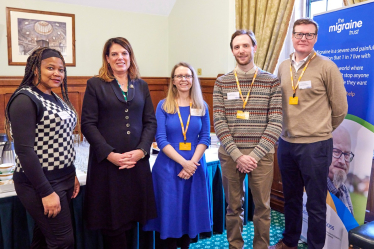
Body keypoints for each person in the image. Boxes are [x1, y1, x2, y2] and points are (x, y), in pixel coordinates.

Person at [270, 18, 348, 249]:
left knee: (315, 204)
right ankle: (290, 241)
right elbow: (278, 101)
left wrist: (320, 129)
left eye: (309, 35)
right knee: (291, 198)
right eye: (299, 34)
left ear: (315, 38)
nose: (303, 38)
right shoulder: (283, 67)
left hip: (316, 146)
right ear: (292, 37)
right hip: (286, 143)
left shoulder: (327, 66)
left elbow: (340, 109)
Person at [81, 37, 157, 249]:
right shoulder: (95, 84)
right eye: (114, 54)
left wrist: (142, 151)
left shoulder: (141, 85)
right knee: (112, 224)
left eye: (124, 53)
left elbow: (150, 121)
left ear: (130, 57)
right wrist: (109, 154)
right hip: (107, 165)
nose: (120, 58)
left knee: (133, 219)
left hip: (136, 164)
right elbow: (88, 124)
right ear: (107, 58)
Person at [213, 30, 282, 249]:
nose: (241, 50)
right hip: (230, 156)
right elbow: (219, 122)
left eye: (245, 46)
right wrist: (237, 155)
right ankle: (235, 246)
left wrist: (253, 155)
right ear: (232, 50)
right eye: (236, 47)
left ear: (254, 47)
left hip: (260, 156)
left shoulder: (271, 81)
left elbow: (276, 123)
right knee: (233, 207)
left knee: (262, 207)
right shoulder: (222, 83)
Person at [5, 47, 80, 249]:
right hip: (40, 183)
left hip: (63, 179)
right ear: (36, 69)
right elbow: (24, 151)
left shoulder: (54, 97)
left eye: (61, 69)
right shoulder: (25, 99)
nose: (57, 73)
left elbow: (61, 140)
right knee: (63, 241)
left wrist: (70, 173)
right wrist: (46, 192)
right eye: (50, 68)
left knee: (45, 239)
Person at [143, 62, 212, 249]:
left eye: (187, 76)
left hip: (195, 167)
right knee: (170, 215)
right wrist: (185, 163)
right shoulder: (164, 106)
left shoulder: (201, 105)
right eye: (179, 76)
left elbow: (205, 137)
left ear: (193, 79)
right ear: (173, 80)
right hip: (168, 168)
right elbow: (161, 139)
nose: (184, 79)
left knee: (189, 216)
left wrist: (192, 164)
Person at [328, 126, 354, 214]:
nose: (343, 161)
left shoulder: (343, 189)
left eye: (347, 154)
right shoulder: (313, 187)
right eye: (336, 151)